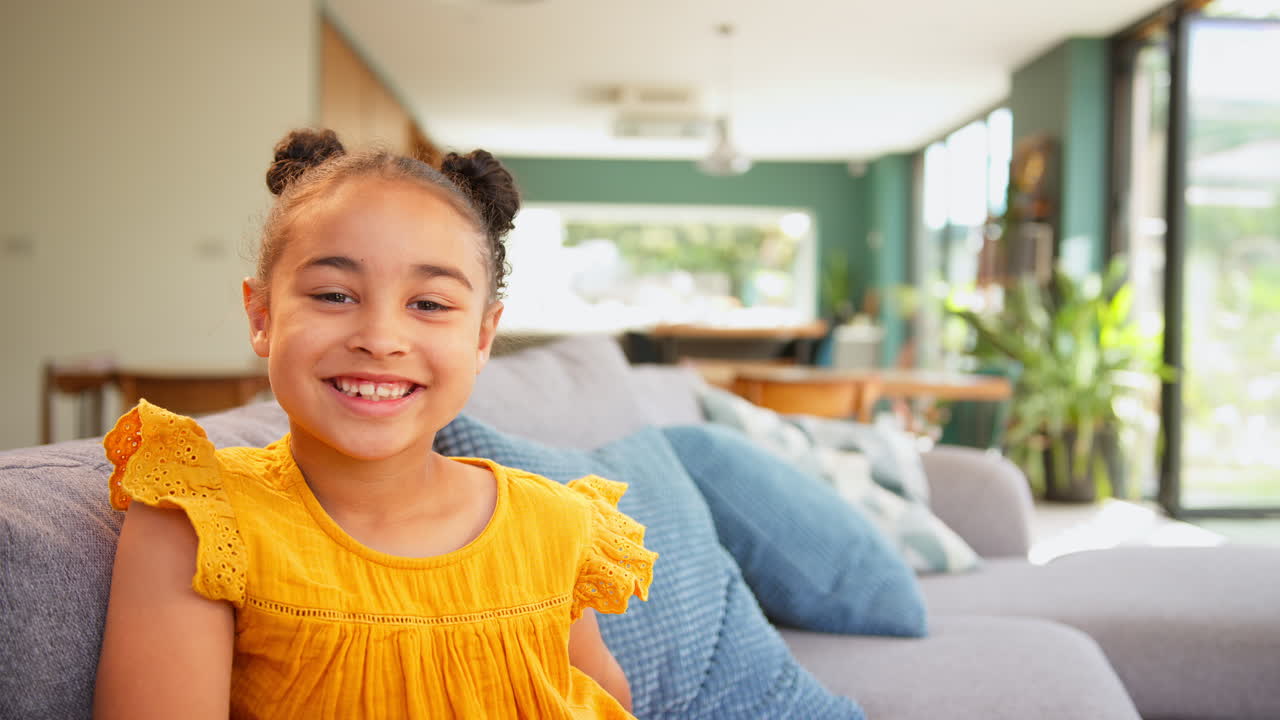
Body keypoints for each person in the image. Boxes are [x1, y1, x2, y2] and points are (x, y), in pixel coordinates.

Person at [93, 129, 656, 719]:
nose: (381, 340)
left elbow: (607, 703)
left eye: (430, 304)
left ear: (483, 337)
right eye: (335, 295)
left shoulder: (556, 527)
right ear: (261, 316)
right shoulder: (201, 518)